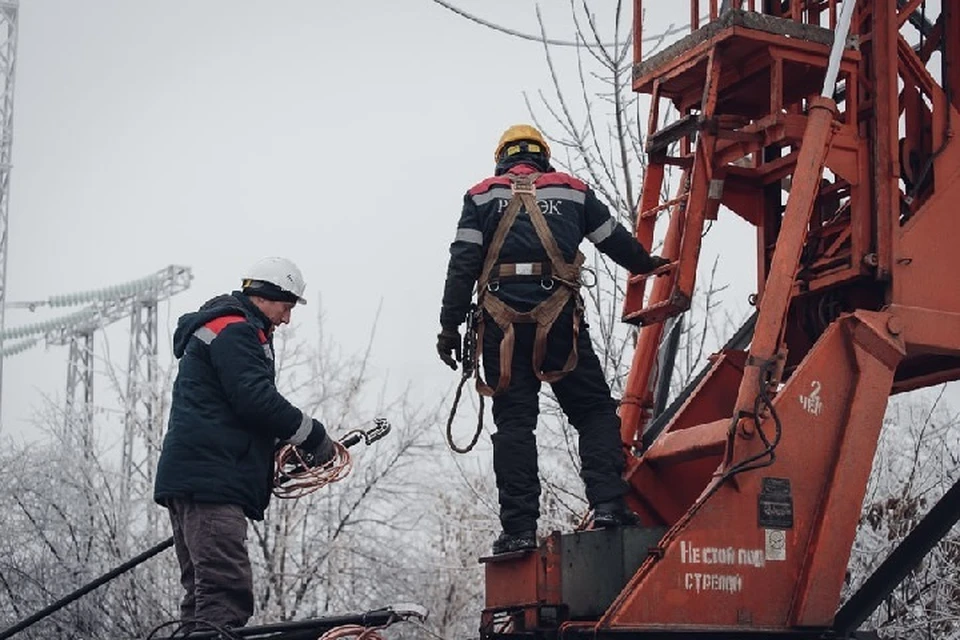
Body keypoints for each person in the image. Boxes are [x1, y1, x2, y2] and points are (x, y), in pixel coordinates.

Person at [437, 124, 669, 555]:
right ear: (543, 156)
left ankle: (520, 529)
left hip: (501, 329)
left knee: (514, 425)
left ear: (501, 157)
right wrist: (649, 263)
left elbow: (462, 263)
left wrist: (449, 327)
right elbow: (614, 241)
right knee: (593, 411)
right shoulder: (572, 190)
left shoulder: (480, 195)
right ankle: (608, 505)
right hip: (559, 321)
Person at [154, 257, 335, 629]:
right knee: (225, 592)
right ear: (267, 296)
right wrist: (313, 434)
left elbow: (230, 410)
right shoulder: (235, 330)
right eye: (286, 307)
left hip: (195, 479)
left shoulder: (223, 328)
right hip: (212, 485)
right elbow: (255, 400)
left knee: (202, 597)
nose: (287, 319)